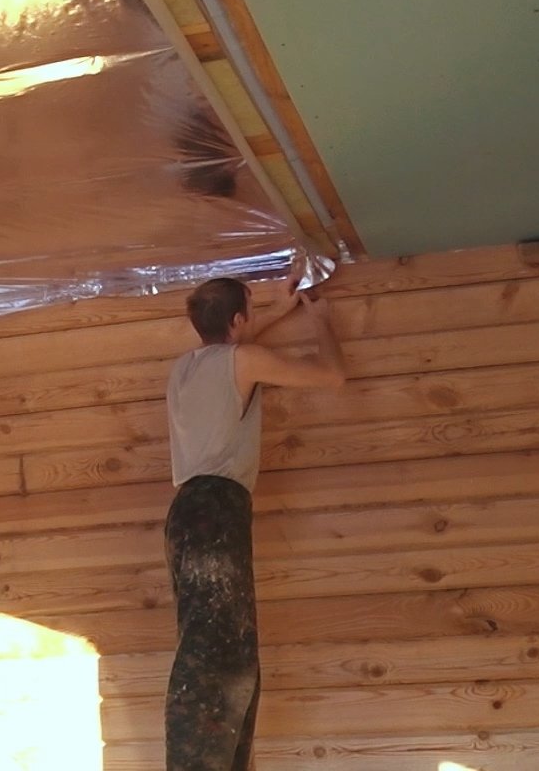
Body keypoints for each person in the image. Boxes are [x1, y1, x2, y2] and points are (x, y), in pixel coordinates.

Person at [164, 274, 346, 770]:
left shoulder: (186, 367)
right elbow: (332, 375)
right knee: (219, 651)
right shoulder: (243, 360)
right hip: (218, 513)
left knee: (219, 645)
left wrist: (280, 313)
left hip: (187, 514)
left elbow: (235, 351)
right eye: (252, 309)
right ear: (238, 319)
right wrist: (320, 321)